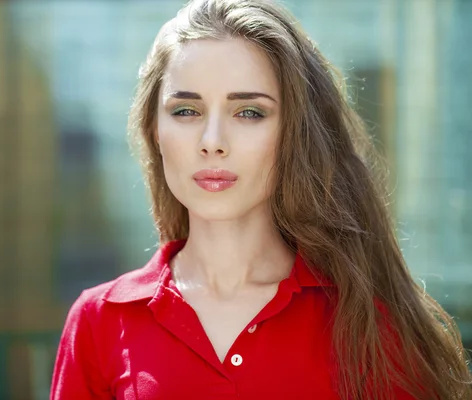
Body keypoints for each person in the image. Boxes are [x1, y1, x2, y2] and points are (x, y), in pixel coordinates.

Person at [50, 0, 472, 398]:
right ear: (155, 131)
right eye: (186, 111)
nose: (212, 142)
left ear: (294, 134)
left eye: (249, 112)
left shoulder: (372, 327)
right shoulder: (99, 322)